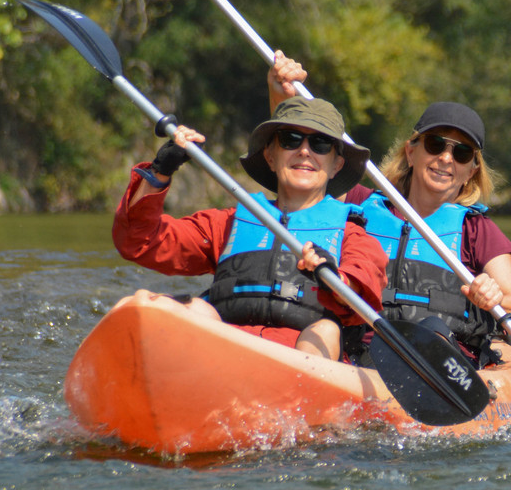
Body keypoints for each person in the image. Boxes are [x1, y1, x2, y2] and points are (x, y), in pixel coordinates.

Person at [268, 51, 511, 366]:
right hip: (358, 357)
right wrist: (281, 95)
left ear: (471, 170)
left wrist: (494, 297)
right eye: (435, 145)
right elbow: (298, 172)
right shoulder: (359, 204)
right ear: (411, 151)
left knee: (431, 334)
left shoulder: (476, 230)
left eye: (461, 153)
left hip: (440, 363)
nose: (446, 159)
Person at [112, 96, 388, 361]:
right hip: (224, 352)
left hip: (304, 363)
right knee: (190, 308)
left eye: (320, 144)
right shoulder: (227, 224)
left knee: (325, 331)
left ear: (336, 165)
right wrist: (161, 171)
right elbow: (140, 242)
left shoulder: (353, 238)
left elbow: (362, 296)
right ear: (270, 156)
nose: (305, 151)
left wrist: (334, 276)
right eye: (290, 140)